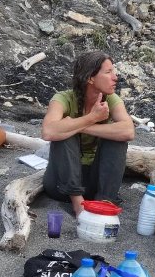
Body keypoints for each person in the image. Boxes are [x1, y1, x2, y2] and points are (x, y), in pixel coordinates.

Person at [41, 51, 135, 216]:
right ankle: (78, 204)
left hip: (94, 184)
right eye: (108, 72)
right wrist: (92, 118)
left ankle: (105, 202)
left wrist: (80, 125)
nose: (115, 77)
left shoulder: (111, 99)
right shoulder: (63, 98)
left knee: (117, 139)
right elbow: (48, 132)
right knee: (63, 133)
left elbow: (128, 131)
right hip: (61, 185)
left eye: (114, 71)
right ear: (90, 78)